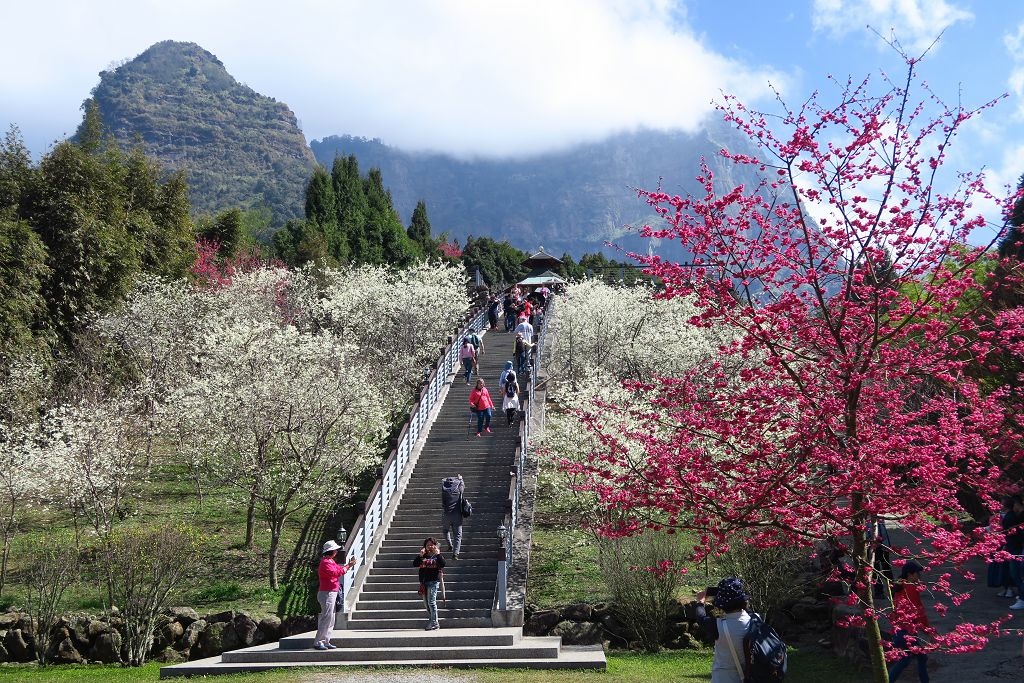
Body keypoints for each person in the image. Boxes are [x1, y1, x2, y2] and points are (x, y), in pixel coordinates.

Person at [694, 577, 752, 683]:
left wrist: (700, 602)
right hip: (751, 677)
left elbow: (701, 618)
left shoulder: (717, 625)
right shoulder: (754, 619)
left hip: (724, 678)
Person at [888, 560, 932, 682]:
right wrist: (929, 632)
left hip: (901, 630)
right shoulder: (910, 589)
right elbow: (920, 613)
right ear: (910, 574)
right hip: (905, 631)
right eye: (918, 574)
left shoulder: (901, 587)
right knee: (905, 660)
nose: (919, 577)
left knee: (920, 657)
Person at [314, 540, 356, 650]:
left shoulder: (330, 561)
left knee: (331, 618)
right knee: (326, 617)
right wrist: (348, 566)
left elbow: (338, 569)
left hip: (331, 592)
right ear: (331, 551)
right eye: (335, 550)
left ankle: (326, 640)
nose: (336, 552)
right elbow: (336, 573)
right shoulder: (326, 563)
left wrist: (348, 566)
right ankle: (319, 641)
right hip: (326, 593)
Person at [413, 537, 446, 630]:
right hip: (423, 583)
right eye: (427, 545)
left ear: (435, 546)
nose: (429, 546)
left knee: (431, 602)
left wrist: (438, 554)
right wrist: (420, 555)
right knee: (426, 604)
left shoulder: (437, 556)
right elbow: (414, 564)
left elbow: (443, 564)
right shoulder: (423, 556)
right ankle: (432, 620)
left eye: (431, 544)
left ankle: (434, 623)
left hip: (433, 582)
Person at [1004, 495, 1024, 608]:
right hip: (1017, 546)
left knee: (1017, 573)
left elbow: (1015, 534)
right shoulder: (1017, 516)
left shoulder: (1017, 517)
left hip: (1016, 547)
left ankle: (1022, 598)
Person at [441, 474, 464, 560]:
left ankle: (449, 545)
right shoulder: (458, 489)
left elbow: (443, 503)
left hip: (446, 514)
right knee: (457, 535)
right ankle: (455, 553)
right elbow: (462, 487)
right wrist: (460, 479)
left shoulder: (444, 490)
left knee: (445, 530)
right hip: (457, 514)